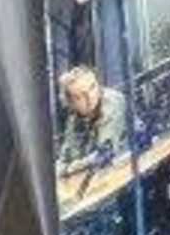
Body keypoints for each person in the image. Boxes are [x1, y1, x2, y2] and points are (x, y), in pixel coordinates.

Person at [52, 65, 130, 207]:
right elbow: (66, 157)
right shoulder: (74, 119)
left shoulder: (112, 102)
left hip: (126, 177)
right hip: (95, 184)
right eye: (80, 96)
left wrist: (69, 168)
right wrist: (64, 168)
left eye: (92, 87)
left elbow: (102, 155)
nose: (90, 97)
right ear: (71, 103)